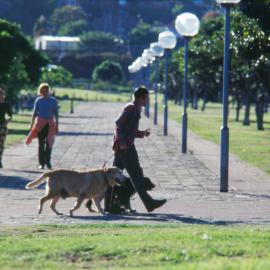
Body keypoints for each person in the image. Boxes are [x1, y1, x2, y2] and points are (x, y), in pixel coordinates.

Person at [107, 86, 167, 213]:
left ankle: (109, 205)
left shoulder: (134, 108)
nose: (147, 100)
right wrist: (122, 143)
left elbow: (129, 129)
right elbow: (118, 124)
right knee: (137, 176)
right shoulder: (131, 108)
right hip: (126, 148)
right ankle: (149, 203)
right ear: (141, 97)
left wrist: (141, 133)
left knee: (112, 176)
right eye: (147, 98)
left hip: (123, 148)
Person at [26, 83, 58, 169]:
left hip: (50, 124)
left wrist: (57, 125)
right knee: (41, 144)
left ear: (49, 91)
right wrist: (31, 124)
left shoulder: (53, 100)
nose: (44, 92)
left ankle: (48, 162)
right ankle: (41, 163)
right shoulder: (38, 100)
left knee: (49, 144)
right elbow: (34, 113)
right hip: (40, 124)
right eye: (42, 91)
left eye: (46, 90)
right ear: (40, 91)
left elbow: (56, 114)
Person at [0, 88, 12, 168]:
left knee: (1, 144)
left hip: (2, 126)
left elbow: (10, 115)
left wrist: (7, 121)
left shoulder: (5, 105)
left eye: (1, 94)